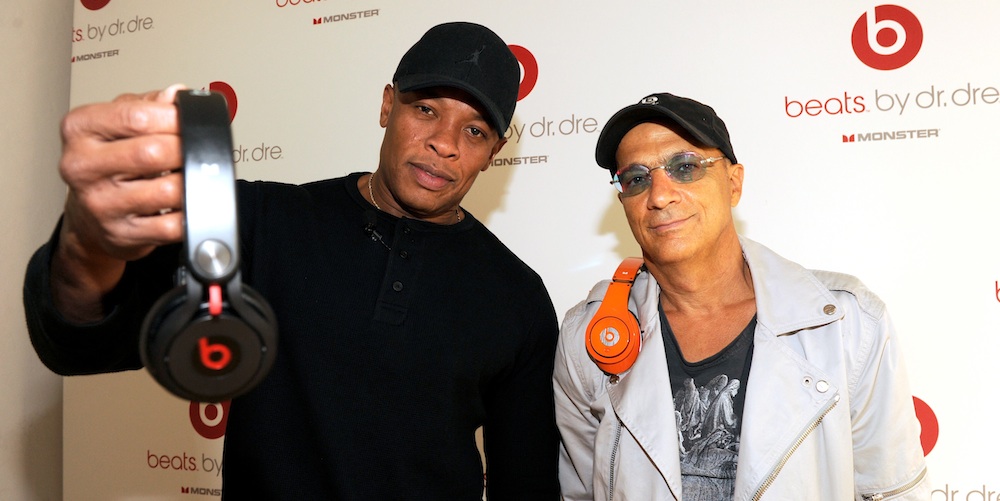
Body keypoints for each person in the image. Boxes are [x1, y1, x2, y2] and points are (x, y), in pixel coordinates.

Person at [23, 22, 561, 500]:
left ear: (493, 153)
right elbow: (79, 341)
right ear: (386, 105)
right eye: (426, 109)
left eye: (474, 130)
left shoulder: (518, 298)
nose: (444, 143)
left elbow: (527, 485)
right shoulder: (257, 221)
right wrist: (87, 248)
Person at [553, 92, 929, 500]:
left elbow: (893, 491)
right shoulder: (586, 336)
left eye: (685, 167)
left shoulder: (846, 323)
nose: (659, 196)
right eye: (637, 178)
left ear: (734, 183)